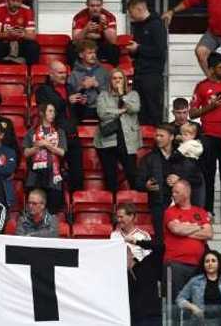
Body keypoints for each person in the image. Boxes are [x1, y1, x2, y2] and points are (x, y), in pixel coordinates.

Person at [190, 52, 221, 216]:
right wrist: (210, 108)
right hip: (208, 136)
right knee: (208, 175)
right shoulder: (202, 86)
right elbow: (192, 113)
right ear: (211, 69)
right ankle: (208, 210)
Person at [33, 59, 84, 192]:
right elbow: (49, 109)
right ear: (51, 74)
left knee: (77, 175)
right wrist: (67, 101)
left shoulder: (70, 88)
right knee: (53, 175)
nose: (64, 75)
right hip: (54, 138)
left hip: (72, 136)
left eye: (65, 73)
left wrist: (81, 103)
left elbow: (79, 115)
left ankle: (75, 203)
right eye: (60, 73)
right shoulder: (42, 90)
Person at [165, 179, 214, 301]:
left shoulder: (200, 212)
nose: (173, 195)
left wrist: (185, 228)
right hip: (176, 263)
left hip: (198, 264)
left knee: (197, 303)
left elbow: (209, 233)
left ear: (186, 193)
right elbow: (177, 229)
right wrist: (199, 226)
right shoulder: (170, 211)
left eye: (176, 192)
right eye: (173, 192)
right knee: (177, 302)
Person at [113, 202, 161, 325]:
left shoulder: (143, 235)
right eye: (117, 217)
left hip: (138, 280)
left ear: (132, 216)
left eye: (121, 217)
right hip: (119, 278)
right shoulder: (114, 235)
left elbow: (148, 258)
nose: (119, 220)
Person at [95, 68, 141, 194]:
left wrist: (122, 96)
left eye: (120, 78)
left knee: (132, 173)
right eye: (115, 78)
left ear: (124, 80)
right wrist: (120, 111)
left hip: (127, 140)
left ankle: (134, 202)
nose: (117, 81)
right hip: (107, 140)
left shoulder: (133, 95)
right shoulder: (103, 95)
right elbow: (102, 113)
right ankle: (113, 204)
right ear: (110, 81)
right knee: (110, 176)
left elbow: (135, 108)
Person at [128, 0, 169, 125]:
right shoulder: (138, 26)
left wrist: (139, 48)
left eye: (131, 12)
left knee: (153, 112)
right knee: (139, 113)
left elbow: (160, 50)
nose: (130, 15)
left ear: (139, 8)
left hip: (152, 76)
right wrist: (133, 51)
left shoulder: (157, 24)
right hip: (139, 74)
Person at [22, 102, 67, 213]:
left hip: (53, 177)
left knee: (52, 212)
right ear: (42, 114)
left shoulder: (59, 132)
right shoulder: (32, 131)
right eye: (50, 111)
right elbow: (26, 153)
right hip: (35, 177)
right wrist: (37, 147)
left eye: (54, 111)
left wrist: (46, 145)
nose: (53, 114)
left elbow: (62, 152)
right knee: (35, 211)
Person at [138, 123, 178, 242]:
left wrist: (179, 179)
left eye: (161, 136)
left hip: (179, 204)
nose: (158, 138)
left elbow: (195, 178)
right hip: (158, 206)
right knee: (161, 240)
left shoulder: (182, 156)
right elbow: (138, 182)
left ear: (171, 137)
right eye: (157, 136)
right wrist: (146, 186)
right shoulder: (149, 158)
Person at [176, 251, 221, 323]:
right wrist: (193, 307)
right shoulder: (195, 281)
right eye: (207, 261)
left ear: (219, 263)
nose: (210, 264)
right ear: (203, 264)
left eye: (213, 261)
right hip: (200, 320)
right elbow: (180, 299)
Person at [68, 0, 121, 65]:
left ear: (102, 4)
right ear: (87, 4)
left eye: (98, 5)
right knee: (71, 47)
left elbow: (113, 41)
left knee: (115, 49)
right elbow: (75, 40)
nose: (95, 9)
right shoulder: (79, 17)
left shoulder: (109, 16)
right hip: (85, 45)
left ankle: (109, 72)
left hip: (101, 46)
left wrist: (105, 26)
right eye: (92, 6)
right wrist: (86, 29)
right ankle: (78, 72)